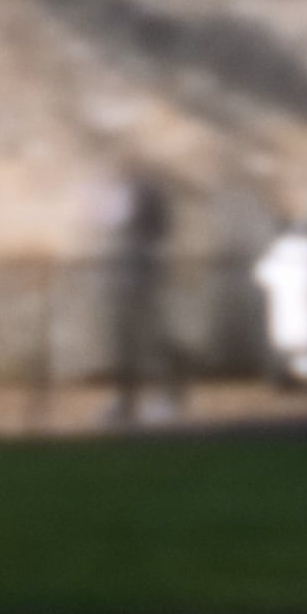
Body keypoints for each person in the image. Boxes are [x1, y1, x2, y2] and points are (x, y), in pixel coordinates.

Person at [110, 169, 175, 425]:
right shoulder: (119, 194)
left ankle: (165, 399)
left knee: (150, 341)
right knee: (125, 345)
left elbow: (161, 229)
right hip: (124, 281)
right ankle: (126, 402)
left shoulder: (147, 198)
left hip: (145, 281)